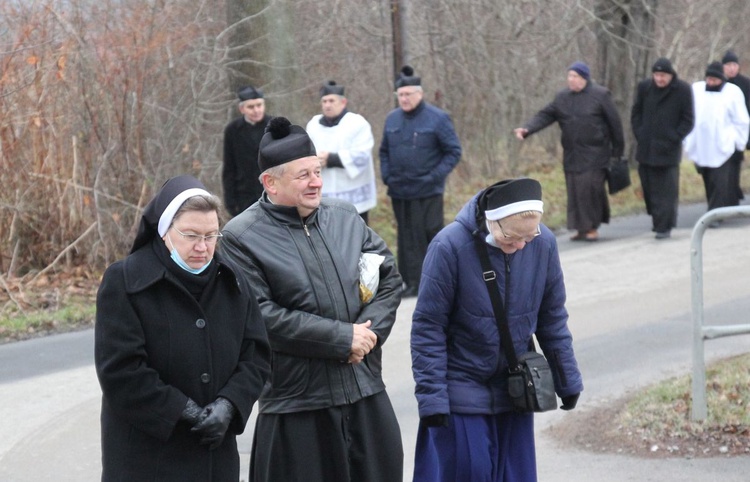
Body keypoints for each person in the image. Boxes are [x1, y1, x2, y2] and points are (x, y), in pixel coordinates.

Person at [221, 117, 404, 482]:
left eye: (317, 171)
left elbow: (387, 278)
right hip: (298, 407)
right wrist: (341, 339)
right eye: (303, 175)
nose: (316, 182)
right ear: (270, 182)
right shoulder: (240, 238)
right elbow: (261, 316)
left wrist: (364, 338)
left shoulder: (345, 217)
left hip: (364, 390)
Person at [94, 175, 271, 481]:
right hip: (147, 459)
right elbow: (121, 372)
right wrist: (185, 411)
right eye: (190, 235)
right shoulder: (125, 281)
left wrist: (229, 406)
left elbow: (255, 355)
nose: (202, 247)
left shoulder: (234, 281)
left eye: (211, 236)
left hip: (215, 456)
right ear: (164, 231)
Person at [411, 178, 583, 482]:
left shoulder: (543, 245)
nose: (518, 246)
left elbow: (552, 318)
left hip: (516, 388)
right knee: (469, 473)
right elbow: (428, 328)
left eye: (527, 238)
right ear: (491, 221)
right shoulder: (449, 247)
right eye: (510, 238)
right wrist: (433, 399)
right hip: (460, 387)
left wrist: (567, 380)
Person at [514, 61, 625, 242]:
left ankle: (591, 227)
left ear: (584, 78)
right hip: (572, 153)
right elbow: (546, 115)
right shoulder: (562, 97)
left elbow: (615, 124)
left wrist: (618, 152)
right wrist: (527, 129)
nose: (571, 80)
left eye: (575, 76)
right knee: (575, 190)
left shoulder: (600, 95)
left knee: (591, 189)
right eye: (569, 76)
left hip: (596, 153)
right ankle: (581, 228)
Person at [379, 65, 462, 297]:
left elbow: (453, 152)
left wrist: (434, 176)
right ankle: (411, 281)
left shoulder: (437, 118)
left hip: (428, 190)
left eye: (408, 94)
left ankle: (438, 281)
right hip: (399, 190)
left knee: (430, 235)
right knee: (406, 238)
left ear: (420, 94)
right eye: (400, 95)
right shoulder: (392, 119)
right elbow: (384, 151)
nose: (404, 99)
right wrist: (386, 176)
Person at [630, 57, 695, 239]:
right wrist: (640, 134)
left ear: (670, 75)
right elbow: (636, 113)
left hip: (668, 149)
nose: (659, 79)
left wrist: (675, 137)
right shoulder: (644, 88)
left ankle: (664, 226)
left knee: (666, 192)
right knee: (649, 189)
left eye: (663, 76)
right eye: (656, 75)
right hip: (646, 147)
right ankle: (657, 221)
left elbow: (688, 119)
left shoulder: (682, 89)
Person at [306, 80, 377, 224]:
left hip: (354, 197)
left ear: (343, 102)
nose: (327, 105)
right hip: (323, 197)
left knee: (356, 238)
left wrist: (331, 159)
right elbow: (305, 152)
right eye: (324, 101)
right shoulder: (313, 125)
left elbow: (362, 155)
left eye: (331, 101)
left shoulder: (357, 123)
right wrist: (315, 161)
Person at [683, 61, 750, 215]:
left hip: (723, 144)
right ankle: (713, 210)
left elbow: (741, 120)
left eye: (715, 80)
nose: (711, 82)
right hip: (702, 145)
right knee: (708, 179)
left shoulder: (732, 93)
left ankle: (716, 213)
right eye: (709, 79)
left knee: (719, 181)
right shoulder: (697, 90)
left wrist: (739, 142)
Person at [222, 85, 271, 216]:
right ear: (242, 109)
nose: (256, 110)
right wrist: (230, 201)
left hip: (271, 192)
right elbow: (229, 168)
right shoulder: (232, 130)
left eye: (259, 105)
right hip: (244, 195)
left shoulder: (274, 126)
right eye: (251, 107)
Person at [722, 50, 750, 202]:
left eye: (734, 65)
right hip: (724, 131)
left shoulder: (746, 84)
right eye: (728, 65)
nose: (731, 68)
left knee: (735, 163)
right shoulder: (720, 83)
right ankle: (731, 192)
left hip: (740, 129)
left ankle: (733, 191)